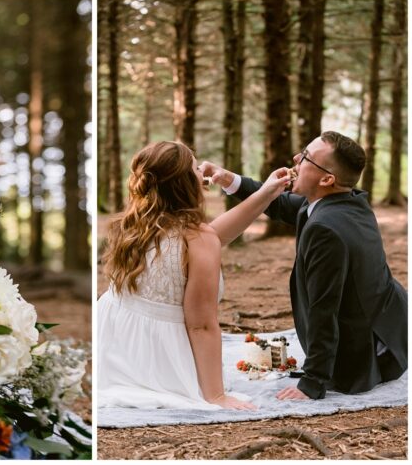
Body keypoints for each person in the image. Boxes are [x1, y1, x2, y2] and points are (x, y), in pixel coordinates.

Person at [201, 131, 408, 400]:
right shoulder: (347, 201)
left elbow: (324, 308)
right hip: (391, 328)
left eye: (307, 157)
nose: (296, 159)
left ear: (326, 179)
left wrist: (312, 382)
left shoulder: (325, 230)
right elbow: (283, 205)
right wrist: (229, 179)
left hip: (365, 355)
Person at [96, 140, 290, 411]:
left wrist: (267, 193)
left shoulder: (137, 223)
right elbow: (200, 325)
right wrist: (216, 396)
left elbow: (216, 234)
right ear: (185, 183)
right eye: (196, 168)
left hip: (115, 342)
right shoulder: (198, 238)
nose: (203, 172)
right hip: (159, 356)